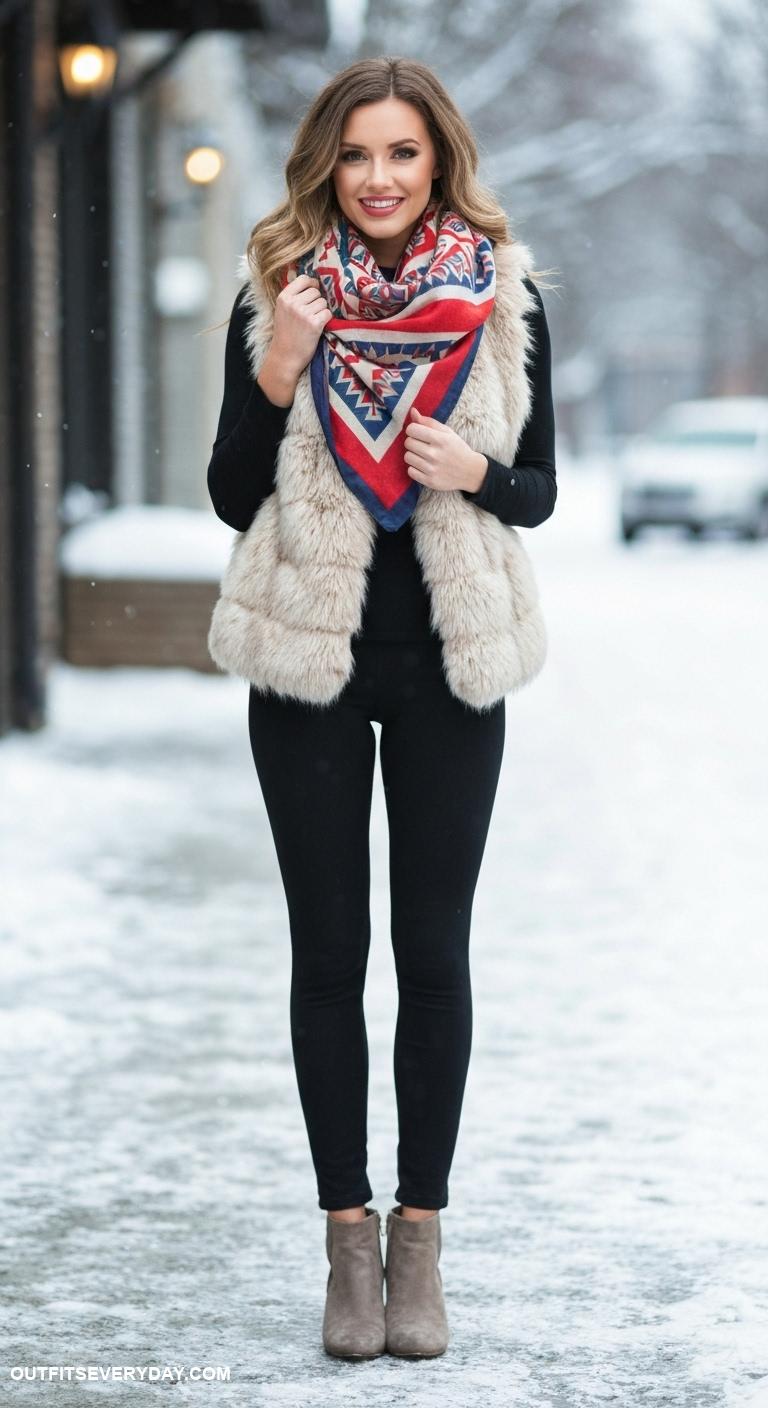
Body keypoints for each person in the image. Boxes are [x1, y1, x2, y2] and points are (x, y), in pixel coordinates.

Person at [205, 55, 557, 1361]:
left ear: (438, 162)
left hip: (450, 670)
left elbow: (542, 493)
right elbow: (235, 492)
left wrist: (479, 469)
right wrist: (285, 364)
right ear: (328, 167)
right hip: (307, 663)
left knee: (436, 957)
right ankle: (346, 1245)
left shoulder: (502, 299)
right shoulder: (282, 295)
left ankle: (421, 1246)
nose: (380, 178)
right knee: (327, 959)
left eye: (403, 153)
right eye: (358, 155)